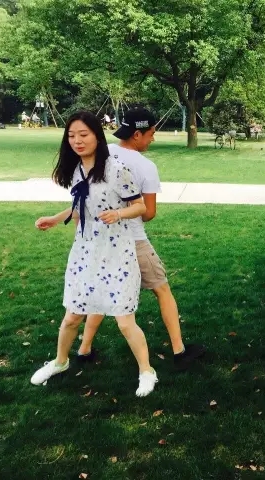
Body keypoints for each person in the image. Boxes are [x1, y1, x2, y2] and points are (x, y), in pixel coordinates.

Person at [31, 111, 158, 397]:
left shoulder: (116, 169)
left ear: (97, 137)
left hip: (117, 253)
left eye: (83, 135)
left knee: (125, 321)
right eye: (71, 136)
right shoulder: (78, 170)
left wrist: (118, 213)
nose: (77, 141)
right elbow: (82, 206)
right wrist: (55, 219)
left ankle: (147, 371)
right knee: (72, 317)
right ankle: (60, 362)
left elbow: (140, 206)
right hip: (85, 253)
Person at [74, 108, 207, 370]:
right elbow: (148, 213)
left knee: (101, 291)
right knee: (162, 289)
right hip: (132, 240)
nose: (153, 138)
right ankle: (179, 351)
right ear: (137, 134)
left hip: (99, 241)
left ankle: (84, 350)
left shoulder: (101, 154)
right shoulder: (146, 166)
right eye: (151, 133)